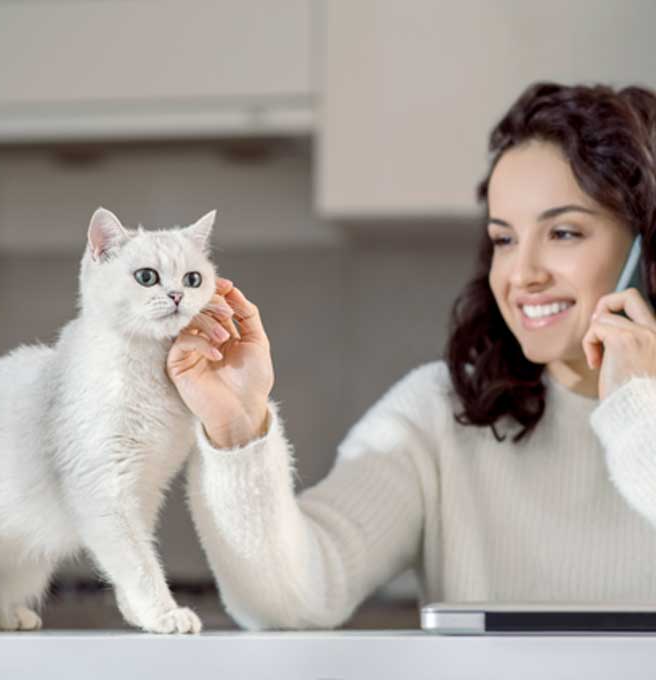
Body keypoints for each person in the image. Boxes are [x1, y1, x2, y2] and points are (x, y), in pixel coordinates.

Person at [165, 82, 656, 630]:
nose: (522, 275)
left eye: (564, 232)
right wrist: (239, 433)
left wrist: (638, 407)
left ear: (646, 248)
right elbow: (291, 600)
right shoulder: (439, 415)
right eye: (504, 239)